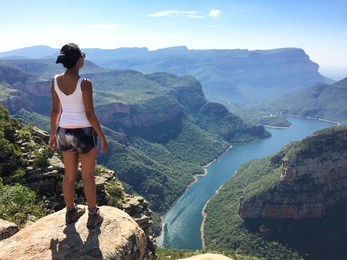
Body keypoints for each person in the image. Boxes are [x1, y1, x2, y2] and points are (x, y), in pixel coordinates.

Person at [49, 43, 108, 228]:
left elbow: (55, 110)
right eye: (82, 55)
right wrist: (103, 138)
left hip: (64, 131)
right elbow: (90, 114)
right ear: (78, 60)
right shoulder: (85, 83)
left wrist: (52, 134)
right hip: (83, 132)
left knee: (69, 176)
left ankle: (70, 212)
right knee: (88, 176)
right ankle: (92, 215)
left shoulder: (55, 80)